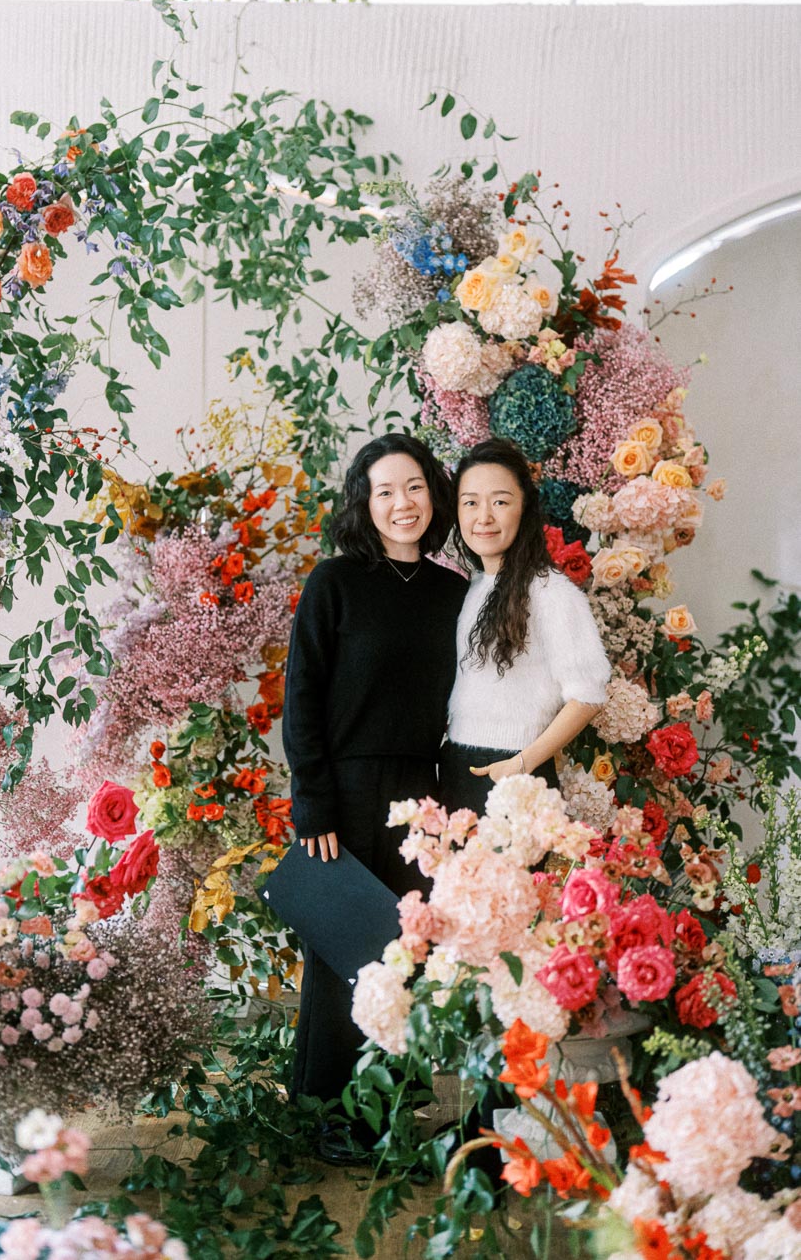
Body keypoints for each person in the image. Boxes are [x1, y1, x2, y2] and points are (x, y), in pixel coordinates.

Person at [282, 432, 468, 1162]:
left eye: (415, 487)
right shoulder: (334, 582)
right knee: (342, 955)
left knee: (405, 953)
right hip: (348, 792)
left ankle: (391, 1106)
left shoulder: (456, 592)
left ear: (433, 495)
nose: (402, 503)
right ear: (364, 501)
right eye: (385, 490)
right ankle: (331, 1117)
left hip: (424, 795)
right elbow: (302, 697)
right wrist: (313, 801)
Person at [440, 437, 611, 816]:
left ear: (525, 510)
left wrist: (521, 763)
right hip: (456, 771)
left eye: (500, 501)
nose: (483, 517)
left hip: (513, 776)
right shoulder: (474, 587)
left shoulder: (551, 592)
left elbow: (589, 695)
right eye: (470, 502)